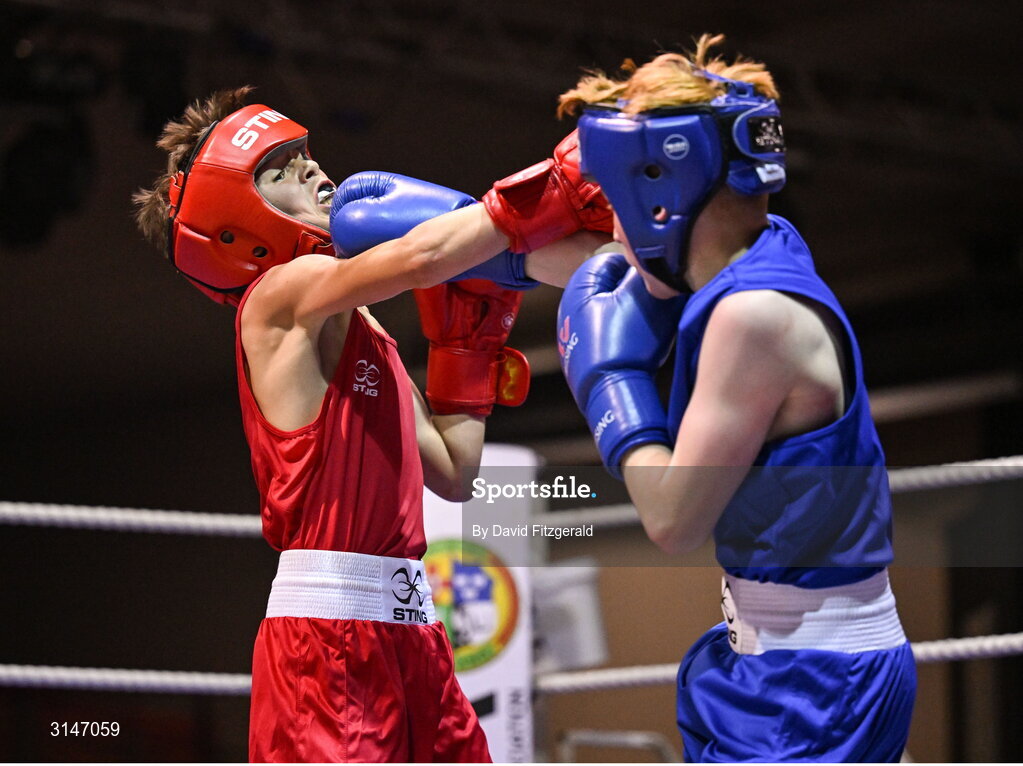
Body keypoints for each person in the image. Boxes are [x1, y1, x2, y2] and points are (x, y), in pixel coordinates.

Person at [133, 86, 609, 762]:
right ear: (235, 221)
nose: (316, 172)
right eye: (281, 171)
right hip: (326, 642)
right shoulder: (274, 301)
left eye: (306, 157)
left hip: (414, 633)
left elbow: (452, 470)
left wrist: (463, 350)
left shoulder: (364, 328)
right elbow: (421, 259)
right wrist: (555, 188)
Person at [555, 35, 917, 762]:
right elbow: (589, 268)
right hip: (789, 663)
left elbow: (671, 518)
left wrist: (610, 384)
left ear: (658, 182)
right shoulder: (766, 246)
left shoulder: (752, 319)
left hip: (808, 683)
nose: (611, 225)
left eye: (613, 198)